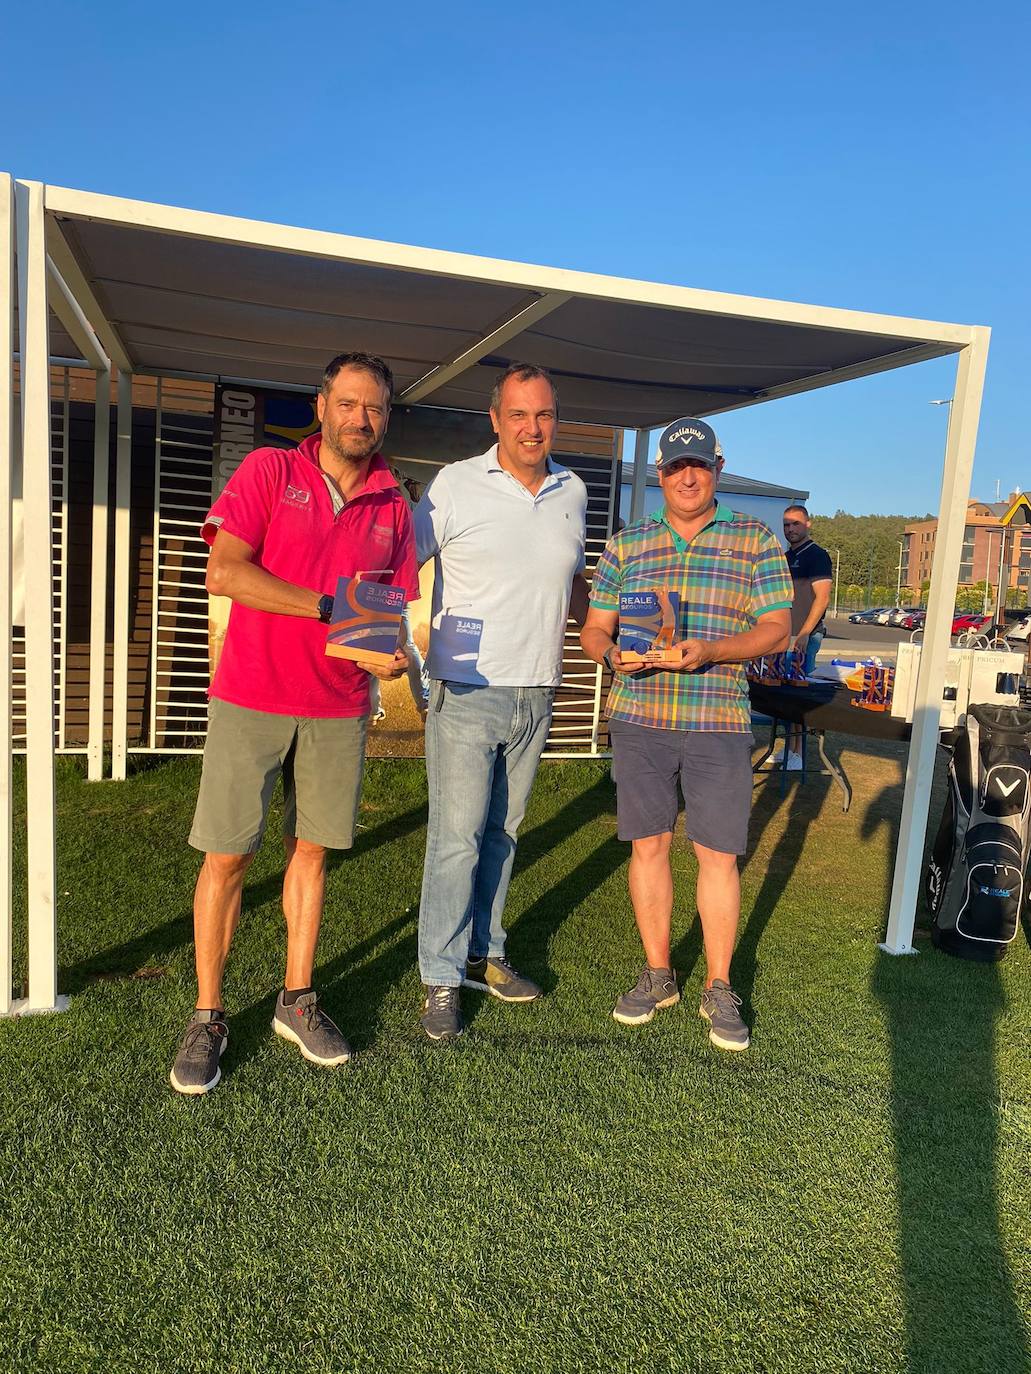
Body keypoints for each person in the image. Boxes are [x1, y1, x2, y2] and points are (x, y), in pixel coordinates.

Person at [170, 352, 418, 1095]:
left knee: (310, 854)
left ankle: (296, 998)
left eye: (373, 408)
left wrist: (391, 654)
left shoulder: (393, 504)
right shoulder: (269, 473)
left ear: (385, 416)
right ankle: (209, 1013)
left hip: (339, 706)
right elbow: (226, 573)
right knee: (226, 856)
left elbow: (387, 612)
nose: (359, 419)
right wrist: (325, 607)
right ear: (321, 406)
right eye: (347, 403)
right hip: (251, 695)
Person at [581, 418, 792, 1052]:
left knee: (717, 854)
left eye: (698, 465)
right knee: (648, 846)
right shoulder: (629, 543)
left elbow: (777, 628)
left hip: (718, 718)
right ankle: (658, 973)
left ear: (717, 470)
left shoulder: (754, 539)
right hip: (640, 717)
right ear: (661, 476)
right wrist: (611, 654)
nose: (688, 476)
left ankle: (720, 984)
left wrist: (713, 651)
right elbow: (595, 628)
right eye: (675, 468)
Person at [413, 362, 589, 1041]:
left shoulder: (572, 489)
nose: (530, 426)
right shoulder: (456, 483)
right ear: (495, 419)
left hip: (536, 688)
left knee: (502, 835)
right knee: (455, 840)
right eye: (518, 413)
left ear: (554, 419)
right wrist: (404, 641)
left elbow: (572, 586)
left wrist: (604, 637)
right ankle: (439, 976)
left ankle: (486, 954)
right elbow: (399, 560)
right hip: (466, 690)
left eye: (542, 414)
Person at [368, 468, 430, 724]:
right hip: (390, 578)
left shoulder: (381, 495)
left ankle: (373, 710)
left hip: (378, 578)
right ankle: (424, 701)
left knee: (372, 643)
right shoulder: (402, 494)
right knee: (395, 645)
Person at [780, 503, 833, 769]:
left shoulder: (817, 556)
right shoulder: (785, 557)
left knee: (799, 695)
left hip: (804, 637)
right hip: (784, 637)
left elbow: (821, 598)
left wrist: (803, 633)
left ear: (808, 524)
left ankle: (798, 753)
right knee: (784, 695)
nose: (790, 529)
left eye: (795, 524)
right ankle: (788, 747)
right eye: (786, 525)